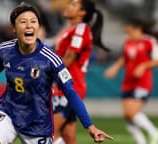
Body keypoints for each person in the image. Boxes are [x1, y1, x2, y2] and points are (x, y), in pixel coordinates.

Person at [0, 3, 113, 144]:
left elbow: (70, 92)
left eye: (33, 21)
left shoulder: (51, 60)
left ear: (38, 27)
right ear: (14, 28)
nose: (29, 25)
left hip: (37, 122)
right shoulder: (5, 49)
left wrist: (90, 126)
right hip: (8, 110)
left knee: (67, 137)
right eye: (23, 22)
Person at [52, 0, 109, 144]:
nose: (68, 6)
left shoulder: (81, 29)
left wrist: (45, 74)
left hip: (68, 87)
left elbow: (69, 59)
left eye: (73, 5)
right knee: (68, 137)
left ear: (82, 13)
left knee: (48, 133)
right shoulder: (72, 29)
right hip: (69, 86)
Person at [105, 18, 158, 144]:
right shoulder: (128, 41)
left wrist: (143, 66)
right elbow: (124, 58)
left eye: (127, 26)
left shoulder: (149, 42)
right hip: (128, 81)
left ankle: (154, 133)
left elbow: (156, 60)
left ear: (136, 28)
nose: (125, 28)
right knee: (127, 116)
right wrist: (115, 68)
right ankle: (141, 141)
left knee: (132, 113)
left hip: (142, 82)